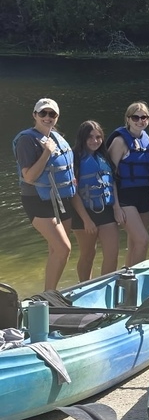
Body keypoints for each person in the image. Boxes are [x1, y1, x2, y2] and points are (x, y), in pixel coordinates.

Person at [14, 98, 76, 290]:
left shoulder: (56, 137)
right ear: (35, 115)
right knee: (63, 249)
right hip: (37, 200)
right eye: (43, 113)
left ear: (57, 117)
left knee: (55, 250)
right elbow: (30, 177)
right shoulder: (26, 140)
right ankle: (49, 295)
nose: (47, 117)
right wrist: (47, 153)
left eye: (52, 114)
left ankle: (50, 293)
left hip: (61, 199)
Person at [69, 120, 123, 281]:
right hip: (82, 214)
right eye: (90, 137)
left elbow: (111, 181)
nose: (95, 141)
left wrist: (116, 207)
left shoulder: (104, 156)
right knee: (88, 254)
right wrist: (86, 220)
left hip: (106, 210)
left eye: (98, 137)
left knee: (112, 252)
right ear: (82, 138)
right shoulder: (74, 158)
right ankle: (84, 286)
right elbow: (73, 192)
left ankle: (105, 286)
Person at [107, 101, 149, 266]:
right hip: (125, 197)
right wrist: (115, 207)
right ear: (128, 119)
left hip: (143, 195)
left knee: (135, 243)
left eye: (144, 117)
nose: (140, 120)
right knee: (143, 240)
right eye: (135, 117)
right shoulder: (120, 142)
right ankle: (135, 280)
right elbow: (109, 176)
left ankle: (127, 278)